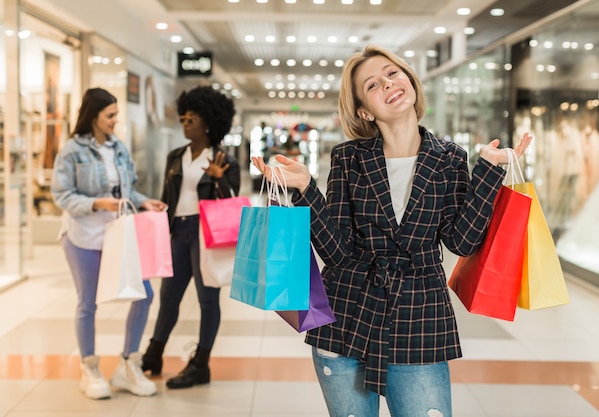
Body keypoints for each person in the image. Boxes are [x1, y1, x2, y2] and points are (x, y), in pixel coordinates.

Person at [252, 45, 532, 417]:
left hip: (420, 317)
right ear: (364, 110)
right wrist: (306, 190)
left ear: (409, 80)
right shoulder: (348, 158)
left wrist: (490, 172)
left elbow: (460, 240)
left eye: (392, 73)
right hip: (347, 317)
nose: (388, 83)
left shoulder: (450, 158)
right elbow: (337, 251)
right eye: (372, 84)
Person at [51, 87, 167, 400]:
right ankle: (89, 367)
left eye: (116, 114)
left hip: (120, 234)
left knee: (143, 294)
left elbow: (127, 191)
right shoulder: (72, 151)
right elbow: (61, 195)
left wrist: (145, 203)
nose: (116, 120)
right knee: (88, 302)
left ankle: (129, 363)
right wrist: (98, 204)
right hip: (83, 236)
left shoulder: (119, 148)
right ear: (94, 116)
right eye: (110, 115)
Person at [141, 85, 239, 389]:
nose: (185, 123)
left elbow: (232, 200)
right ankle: (154, 354)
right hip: (177, 232)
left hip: (204, 232)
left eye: (191, 118)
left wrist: (219, 181)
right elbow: (166, 195)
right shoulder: (175, 156)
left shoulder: (224, 160)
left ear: (208, 122)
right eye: (182, 118)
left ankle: (200, 364)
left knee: (207, 298)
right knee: (168, 296)